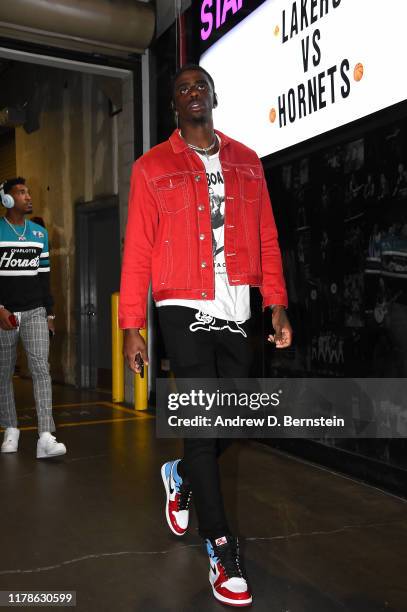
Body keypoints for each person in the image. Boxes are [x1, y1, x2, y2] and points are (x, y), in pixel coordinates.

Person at [119, 64, 292, 607]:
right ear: (175, 105)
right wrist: (133, 326)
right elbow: (138, 249)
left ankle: (184, 476)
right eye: (183, 89)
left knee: (233, 417)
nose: (193, 94)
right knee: (202, 423)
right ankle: (221, 546)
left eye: (201, 86)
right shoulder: (152, 167)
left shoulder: (246, 161)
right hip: (181, 304)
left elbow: (266, 234)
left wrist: (277, 303)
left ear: (214, 95)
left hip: (238, 304)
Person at [0, 177, 66, 459]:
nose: (28, 196)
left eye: (28, 192)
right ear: (6, 199)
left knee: (41, 369)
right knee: (3, 374)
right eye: (21, 192)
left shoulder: (39, 234)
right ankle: (11, 428)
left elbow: (44, 277)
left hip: (35, 311)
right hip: (4, 314)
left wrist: (49, 313)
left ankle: (45, 436)